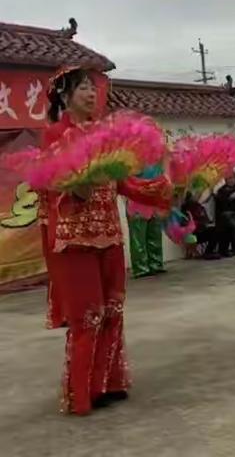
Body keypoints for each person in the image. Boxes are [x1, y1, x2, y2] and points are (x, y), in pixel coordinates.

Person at [40, 66, 172, 415]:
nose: (91, 94)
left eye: (93, 88)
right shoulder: (56, 134)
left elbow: (126, 185)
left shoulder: (105, 136)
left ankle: (109, 384)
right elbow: (57, 186)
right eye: (83, 88)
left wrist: (166, 187)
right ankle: (81, 394)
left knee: (113, 312)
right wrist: (84, 179)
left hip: (110, 236)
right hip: (76, 240)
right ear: (65, 96)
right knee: (88, 317)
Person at [127, 164, 166, 278]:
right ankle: (141, 267)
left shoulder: (157, 161)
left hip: (154, 199)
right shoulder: (134, 156)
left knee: (155, 233)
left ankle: (156, 263)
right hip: (138, 199)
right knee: (138, 235)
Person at [181, 192, 220, 259]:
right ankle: (208, 252)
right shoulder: (186, 208)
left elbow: (206, 219)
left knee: (217, 230)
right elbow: (185, 223)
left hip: (201, 230)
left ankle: (210, 252)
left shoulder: (199, 206)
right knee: (214, 231)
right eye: (195, 195)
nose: (198, 196)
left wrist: (207, 222)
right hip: (193, 233)